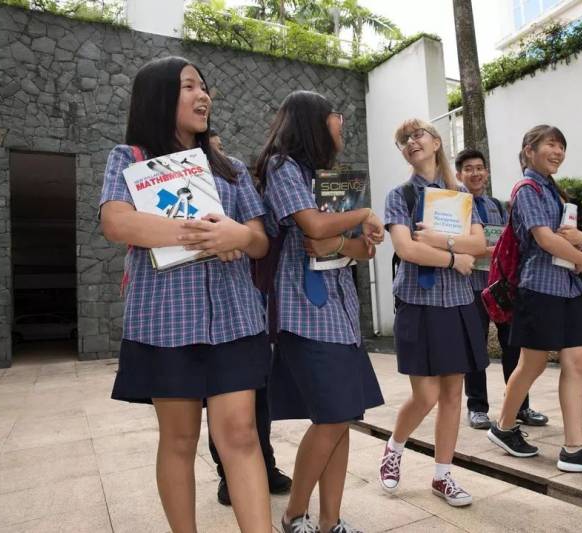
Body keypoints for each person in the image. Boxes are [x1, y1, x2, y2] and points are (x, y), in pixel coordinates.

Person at [100, 56, 272, 532]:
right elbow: (116, 221)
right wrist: (197, 233)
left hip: (235, 320)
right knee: (177, 439)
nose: (203, 96)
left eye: (204, 87)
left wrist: (237, 235)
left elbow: (259, 238)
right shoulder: (129, 159)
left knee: (241, 434)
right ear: (158, 96)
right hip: (164, 323)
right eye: (189, 87)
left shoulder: (232, 168)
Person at [257, 90, 385, 533]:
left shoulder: (327, 178)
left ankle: (330, 522)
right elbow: (312, 227)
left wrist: (343, 239)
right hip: (305, 312)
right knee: (331, 418)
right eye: (336, 118)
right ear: (313, 121)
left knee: (342, 418)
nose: (342, 127)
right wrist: (359, 217)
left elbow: (358, 249)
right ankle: (293, 514)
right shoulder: (282, 167)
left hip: (341, 312)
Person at [486, 124, 582, 475]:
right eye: (550, 144)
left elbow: (566, 235)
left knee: (576, 361)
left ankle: (573, 448)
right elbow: (545, 239)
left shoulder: (553, 191)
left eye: (561, 145)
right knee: (531, 365)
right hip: (539, 288)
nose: (558, 151)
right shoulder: (528, 188)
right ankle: (503, 427)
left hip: (564, 288)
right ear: (529, 151)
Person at [380, 119, 488, 507]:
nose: (410, 142)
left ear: (437, 141)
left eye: (417, 135)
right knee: (425, 395)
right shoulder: (400, 196)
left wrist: (443, 242)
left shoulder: (459, 194)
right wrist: (452, 258)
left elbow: (479, 243)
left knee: (453, 394)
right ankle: (394, 447)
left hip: (457, 302)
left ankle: (443, 475)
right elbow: (407, 249)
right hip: (418, 302)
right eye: (403, 140)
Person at [204, 126, 292, 503]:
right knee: (221, 401)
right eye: (212, 146)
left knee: (258, 395)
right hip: (223, 307)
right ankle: (228, 473)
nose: (216, 152)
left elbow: (263, 240)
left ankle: (265, 465)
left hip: (256, 303)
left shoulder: (240, 183)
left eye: (220, 147)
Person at [455, 148, 549, 431]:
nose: (476, 173)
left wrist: (495, 251)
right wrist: (487, 249)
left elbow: (510, 242)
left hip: (501, 286)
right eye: (469, 168)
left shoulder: (497, 205)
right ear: (459, 175)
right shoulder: (455, 206)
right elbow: (458, 243)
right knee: (475, 348)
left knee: (513, 345)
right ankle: (477, 408)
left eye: (480, 168)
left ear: (486, 172)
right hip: (469, 285)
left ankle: (519, 406)